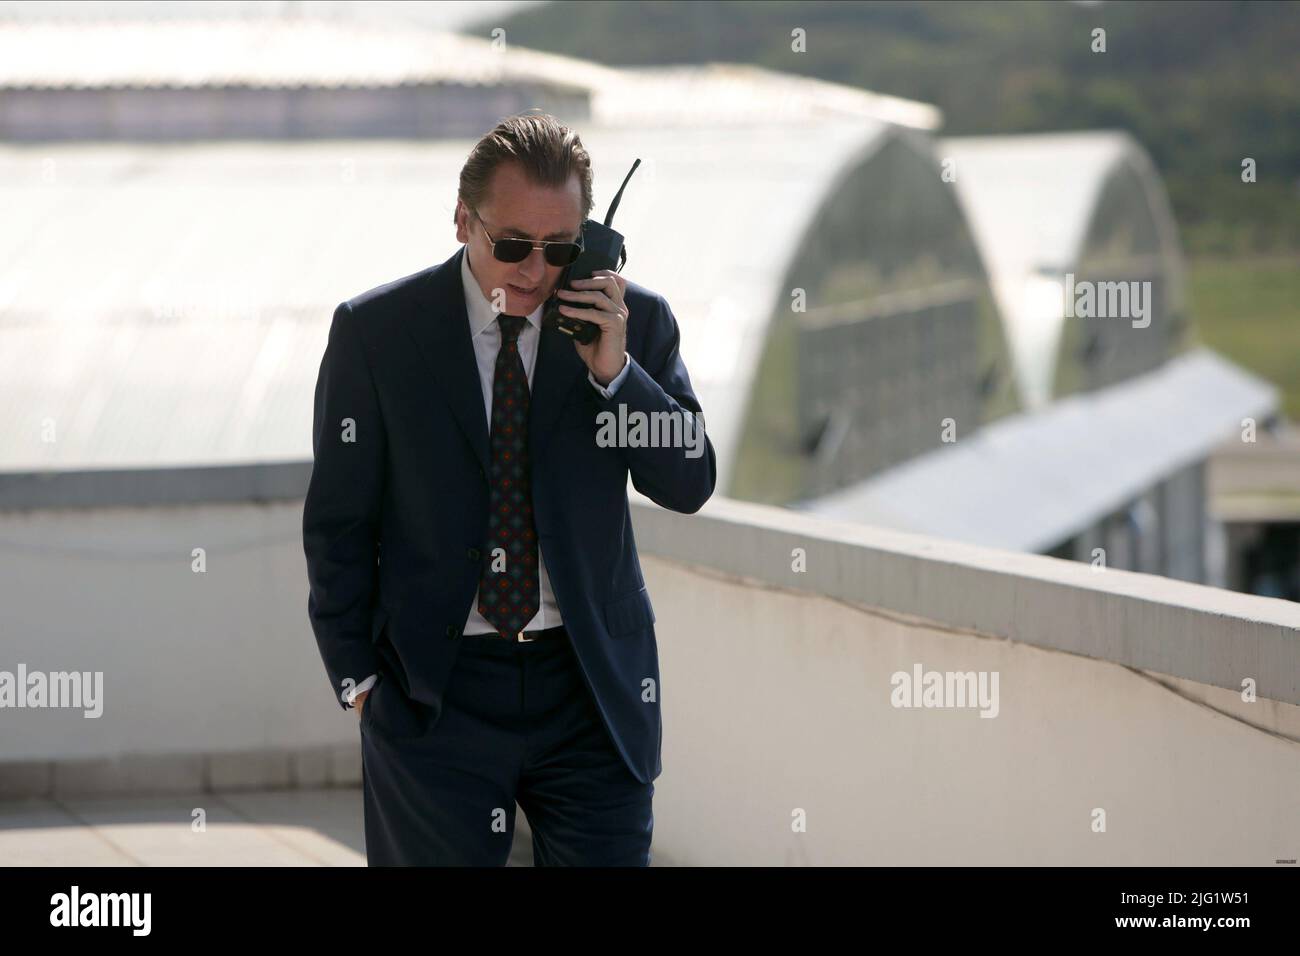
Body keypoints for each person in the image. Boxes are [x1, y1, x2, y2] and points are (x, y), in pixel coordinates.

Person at [302, 112, 716, 865]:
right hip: (434, 694)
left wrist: (616, 376)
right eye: (514, 245)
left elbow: (689, 481)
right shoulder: (377, 334)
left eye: (560, 248)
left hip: (591, 691)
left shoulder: (629, 322)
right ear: (463, 220)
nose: (535, 270)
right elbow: (338, 524)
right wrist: (359, 686)